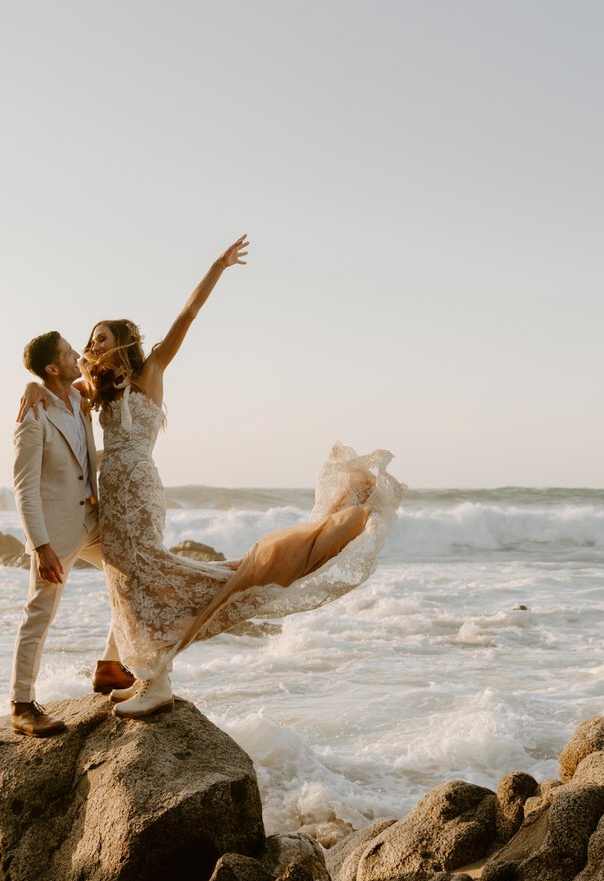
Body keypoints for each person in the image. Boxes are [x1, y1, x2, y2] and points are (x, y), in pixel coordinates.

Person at [22, 236, 403, 720]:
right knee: (127, 580)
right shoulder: (93, 388)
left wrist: (217, 267)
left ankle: (157, 682)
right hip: (110, 491)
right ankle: (146, 676)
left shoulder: (152, 369)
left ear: (121, 341)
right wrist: (34, 386)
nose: (92, 345)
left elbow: (189, 313)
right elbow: (51, 387)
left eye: (100, 338)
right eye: (89, 339)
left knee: (148, 576)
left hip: (137, 487)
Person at [8, 331, 133, 737]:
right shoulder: (34, 413)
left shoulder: (78, 399)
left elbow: (98, 376)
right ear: (51, 368)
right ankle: (21, 705)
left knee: (134, 577)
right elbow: (24, 485)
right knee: (39, 612)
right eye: (67, 352)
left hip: (91, 521)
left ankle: (110, 667)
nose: (76, 353)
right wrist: (40, 545)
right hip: (56, 532)